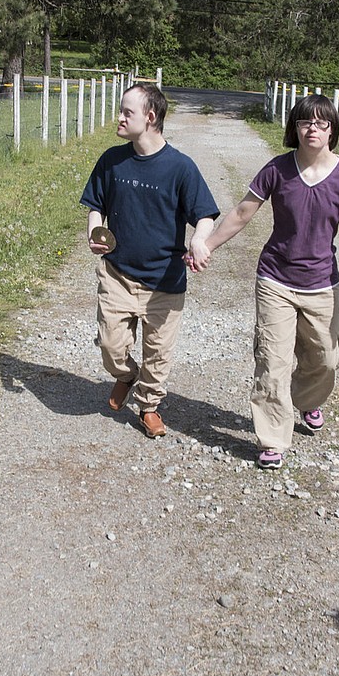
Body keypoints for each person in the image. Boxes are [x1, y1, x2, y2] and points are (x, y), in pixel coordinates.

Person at [188, 94, 339, 470]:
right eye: (306, 122)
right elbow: (242, 213)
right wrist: (205, 246)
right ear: (295, 128)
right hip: (275, 279)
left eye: (322, 123)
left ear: (333, 130)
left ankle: (306, 400)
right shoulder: (277, 169)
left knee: (325, 358)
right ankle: (272, 438)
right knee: (272, 363)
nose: (313, 129)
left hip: (322, 283)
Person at [81, 83, 219, 438]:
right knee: (111, 346)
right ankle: (126, 375)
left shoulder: (181, 168)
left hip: (164, 282)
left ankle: (149, 406)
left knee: (158, 354)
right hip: (117, 273)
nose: (120, 117)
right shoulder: (112, 160)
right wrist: (95, 231)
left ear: (150, 117)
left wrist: (200, 239)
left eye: (127, 112)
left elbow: (204, 214)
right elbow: (95, 205)